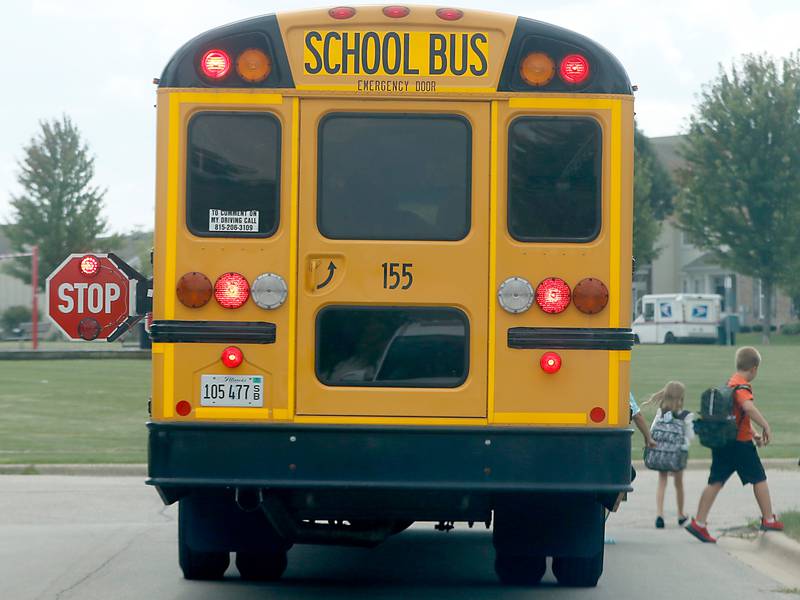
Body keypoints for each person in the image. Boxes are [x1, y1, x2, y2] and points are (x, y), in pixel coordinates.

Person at [686, 347, 784, 543]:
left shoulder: (730, 383)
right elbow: (747, 407)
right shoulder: (742, 386)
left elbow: (735, 417)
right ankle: (768, 519)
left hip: (724, 442)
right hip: (740, 444)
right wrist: (765, 426)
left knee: (715, 481)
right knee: (759, 478)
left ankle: (699, 523)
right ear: (754, 368)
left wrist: (753, 433)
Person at [646, 381, 693, 529]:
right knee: (678, 484)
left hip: (661, 453)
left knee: (662, 482)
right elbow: (689, 436)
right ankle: (680, 515)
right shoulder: (686, 416)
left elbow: (653, 430)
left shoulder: (661, 412)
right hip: (677, 455)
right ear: (681, 398)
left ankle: (659, 515)